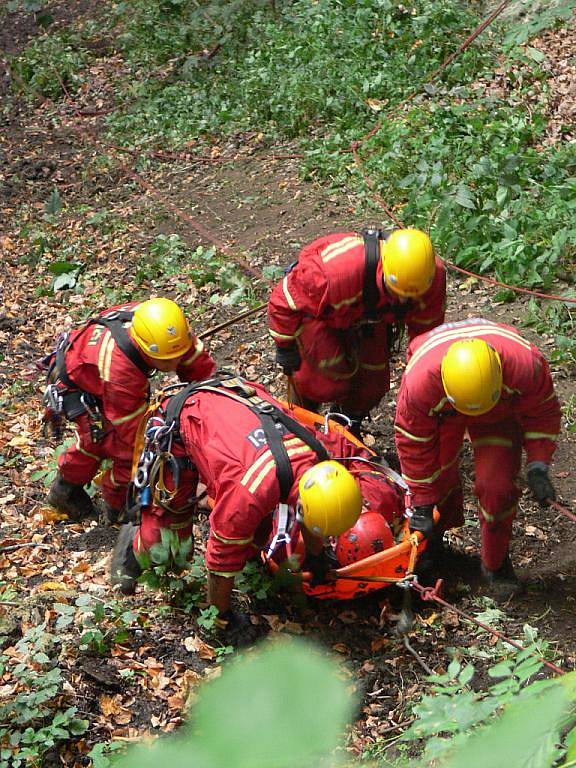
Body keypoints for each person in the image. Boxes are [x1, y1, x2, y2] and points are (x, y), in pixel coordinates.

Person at [110, 373, 405, 644]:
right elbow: (220, 558)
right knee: (169, 546)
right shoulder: (248, 495)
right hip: (190, 417)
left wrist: (317, 557)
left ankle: (248, 560)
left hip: (240, 407)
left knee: (255, 534)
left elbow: (308, 514)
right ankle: (133, 545)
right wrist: (221, 617)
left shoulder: (320, 462)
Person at [394, 318, 561, 599]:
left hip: (499, 412)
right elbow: (413, 443)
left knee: (497, 487)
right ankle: (431, 545)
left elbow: (542, 413)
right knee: (437, 477)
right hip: (444, 411)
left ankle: (496, 564)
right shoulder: (420, 386)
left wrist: (538, 465)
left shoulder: (526, 367)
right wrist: (422, 503)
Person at [41, 298, 216, 522]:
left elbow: (200, 369)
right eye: (166, 361)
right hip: (81, 382)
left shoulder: (172, 334)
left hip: (103, 372)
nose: (174, 365)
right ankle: (104, 502)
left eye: (177, 357)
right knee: (113, 447)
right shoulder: (121, 370)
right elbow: (135, 438)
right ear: (144, 350)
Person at [267, 227, 446, 433]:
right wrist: (285, 347)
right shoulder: (335, 273)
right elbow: (284, 300)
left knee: (373, 384)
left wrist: (423, 381)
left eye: (410, 297)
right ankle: (302, 422)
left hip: (372, 315)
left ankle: (348, 425)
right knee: (324, 380)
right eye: (397, 293)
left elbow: (427, 340)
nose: (404, 300)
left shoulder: (431, 279)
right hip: (323, 315)